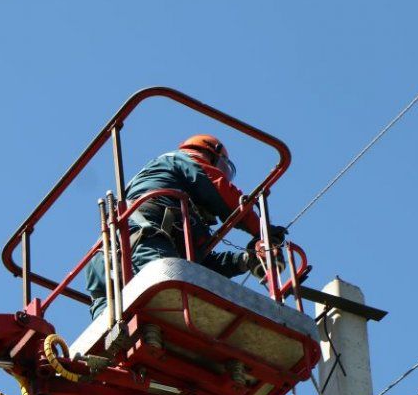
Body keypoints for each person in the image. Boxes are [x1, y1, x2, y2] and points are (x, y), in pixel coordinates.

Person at [84, 134, 287, 319]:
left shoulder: (185, 220)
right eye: (222, 168)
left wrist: (244, 260)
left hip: (107, 256)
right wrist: (262, 230)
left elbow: (200, 266)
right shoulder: (183, 159)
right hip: (144, 235)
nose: (222, 174)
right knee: (174, 292)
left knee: (108, 324)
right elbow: (221, 191)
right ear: (211, 155)